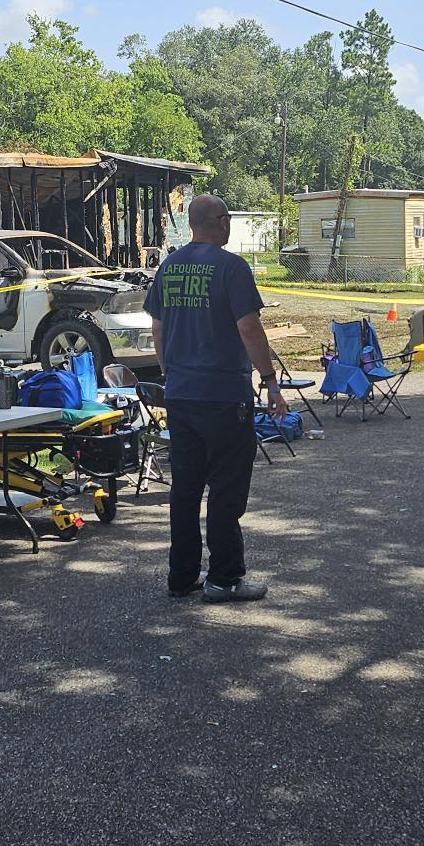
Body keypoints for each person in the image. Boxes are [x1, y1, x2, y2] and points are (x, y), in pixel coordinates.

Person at [145, 195, 289, 603]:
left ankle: (182, 576)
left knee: (185, 491)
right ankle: (224, 579)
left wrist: (169, 371)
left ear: (192, 224)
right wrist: (270, 381)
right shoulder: (231, 267)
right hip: (224, 396)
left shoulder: (169, 267)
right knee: (226, 491)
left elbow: (157, 327)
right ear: (221, 222)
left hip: (182, 395)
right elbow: (249, 329)